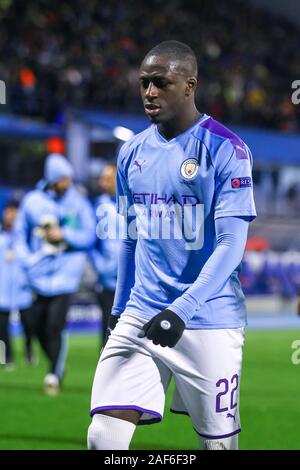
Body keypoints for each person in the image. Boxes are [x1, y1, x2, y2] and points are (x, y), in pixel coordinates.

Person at [87, 41, 256, 451]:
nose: (149, 92)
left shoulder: (225, 149)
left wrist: (182, 308)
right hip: (142, 312)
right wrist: (118, 307)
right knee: (103, 436)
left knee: (218, 446)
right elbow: (128, 235)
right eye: (144, 83)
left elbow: (232, 243)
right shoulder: (131, 153)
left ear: (189, 85)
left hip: (208, 318)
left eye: (160, 83)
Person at [16, 153, 96, 394]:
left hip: (66, 277)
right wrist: (28, 261)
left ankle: (54, 372)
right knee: (35, 325)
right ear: (52, 179)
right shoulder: (32, 201)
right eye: (63, 179)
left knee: (54, 325)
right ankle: (54, 365)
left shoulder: (78, 203)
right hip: (37, 277)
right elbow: (21, 235)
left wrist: (66, 235)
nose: (68, 183)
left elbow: (90, 236)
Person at [89, 163, 123, 347]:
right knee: (108, 329)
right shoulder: (99, 206)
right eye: (102, 179)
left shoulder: (135, 203)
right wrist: (99, 265)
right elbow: (89, 240)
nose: (103, 183)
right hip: (108, 281)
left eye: (107, 179)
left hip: (135, 282)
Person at [0, 201, 33, 368]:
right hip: (2, 292)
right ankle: (6, 359)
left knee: (29, 325)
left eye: (14, 212)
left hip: (23, 290)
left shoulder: (25, 238)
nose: (11, 216)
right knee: (2, 329)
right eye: (8, 211)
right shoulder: (1, 237)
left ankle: (29, 352)